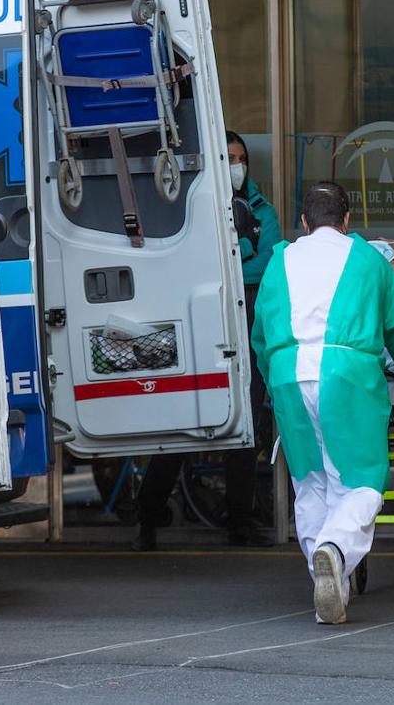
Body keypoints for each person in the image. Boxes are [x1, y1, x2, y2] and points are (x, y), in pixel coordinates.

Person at [251, 182, 394, 624]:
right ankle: (334, 550)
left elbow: (260, 339)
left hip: (287, 373)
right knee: (360, 483)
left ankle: (329, 588)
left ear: (303, 222)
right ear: (347, 220)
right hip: (347, 374)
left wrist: (274, 390)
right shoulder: (369, 262)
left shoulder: (280, 260)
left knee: (311, 482)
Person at [131, 131, 283, 551]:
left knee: (246, 427)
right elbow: (189, 263)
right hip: (200, 323)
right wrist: (236, 257)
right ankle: (148, 515)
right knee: (183, 424)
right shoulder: (190, 208)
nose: (236, 164)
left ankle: (240, 521)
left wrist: (225, 260)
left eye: (241, 157)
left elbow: (264, 268)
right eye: (228, 157)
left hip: (248, 322)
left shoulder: (262, 210)